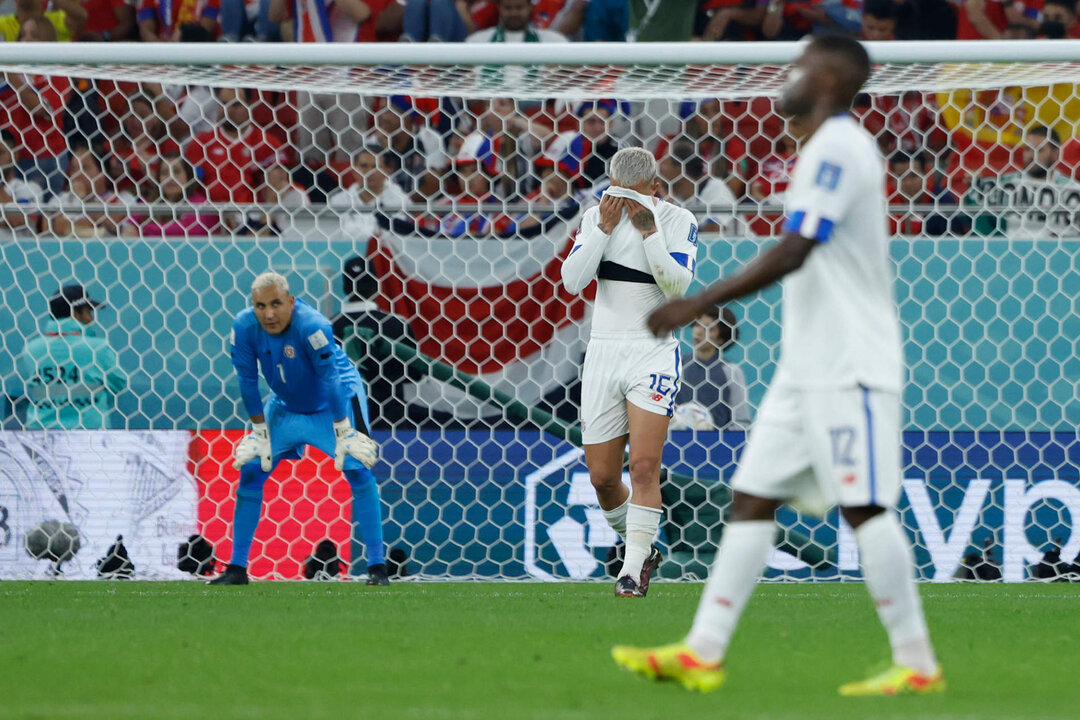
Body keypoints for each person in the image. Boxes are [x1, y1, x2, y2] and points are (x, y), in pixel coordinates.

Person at [613, 35, 944, 696]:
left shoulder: (841, 146)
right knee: (752, 498)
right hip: (805, 370)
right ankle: (703, 650)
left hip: (850, 365)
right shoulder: (819, 148)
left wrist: (695, 303)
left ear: (827, 79)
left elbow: (795, 248)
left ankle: (917, 664)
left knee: (865, 510)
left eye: (801, 66)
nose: (788, 76)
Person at [560, 146, 699, 598]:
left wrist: (648, 233)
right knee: (602, 477)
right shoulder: (595, 217)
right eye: (616, 194)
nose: (623, 204)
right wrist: (601, 229)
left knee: (643, 466)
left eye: (633, 196)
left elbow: (677, 286)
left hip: (652, 352)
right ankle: (643, 549)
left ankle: (631, 568)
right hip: (602, 351)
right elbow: (572, 281)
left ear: (655, 190)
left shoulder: (678, 221)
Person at [208, 272, 388, 585]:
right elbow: (247, 380)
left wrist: (344, 430)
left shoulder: (313, 325)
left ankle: (377, 567)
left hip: (334, 403)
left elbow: (331, 379)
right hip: (284, 405)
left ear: (291, 302)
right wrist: (259, 430)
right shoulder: (244, 327)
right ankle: (236, 569)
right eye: (260, 305)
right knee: (251, 469)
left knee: (358, 469)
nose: (268, 313)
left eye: (276, 304)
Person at [17, 285, 127, 429]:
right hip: (89, 437)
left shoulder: (31, 350)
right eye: (89, 312)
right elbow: (118, 383)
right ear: (75, 313)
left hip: (40, 437)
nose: (91, 318)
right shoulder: (97, 348)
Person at [966, 125, 1080, 239]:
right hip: (1010, 251)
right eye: (1027, 149)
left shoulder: (1071, 189)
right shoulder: (1007, 184)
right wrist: (975, 185)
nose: (1031, 155)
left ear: (1056, 153)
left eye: (1039, 150)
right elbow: (975, 210)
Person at [673, 306, 750, 430]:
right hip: (678, 441)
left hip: (717, 444)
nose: (698, 332)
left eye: (709, 328)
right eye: (697, 325)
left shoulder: (730, 371)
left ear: (721, 339)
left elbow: (741, 422)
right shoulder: (676, 365)